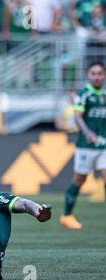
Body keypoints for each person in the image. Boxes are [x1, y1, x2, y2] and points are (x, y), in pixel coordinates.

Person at [61, 61, 106, 230]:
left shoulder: (104, 94)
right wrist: (88, 133)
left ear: (104, 76)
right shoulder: (84, 94)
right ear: (88, 75)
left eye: (99, 73)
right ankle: (66, 215)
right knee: (79, 179)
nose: (96, 76)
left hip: (103, 146)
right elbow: (78, 116)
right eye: (93, 73)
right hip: (86, 146)